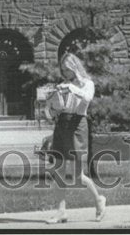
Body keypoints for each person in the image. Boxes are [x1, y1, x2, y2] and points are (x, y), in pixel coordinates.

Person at [45, 52, 107, 224]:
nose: (65, 73)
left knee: (78, 176)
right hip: (62, 126)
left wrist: (73, 88)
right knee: (59, 172)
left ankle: (99, 200)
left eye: (67, 70)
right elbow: (53, 111)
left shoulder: (88, 84)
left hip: (78, 126)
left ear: (74, 67)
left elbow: (86, 99)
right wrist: (50, 104)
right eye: (63, 70)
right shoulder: (63, 85)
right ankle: (61, 212)